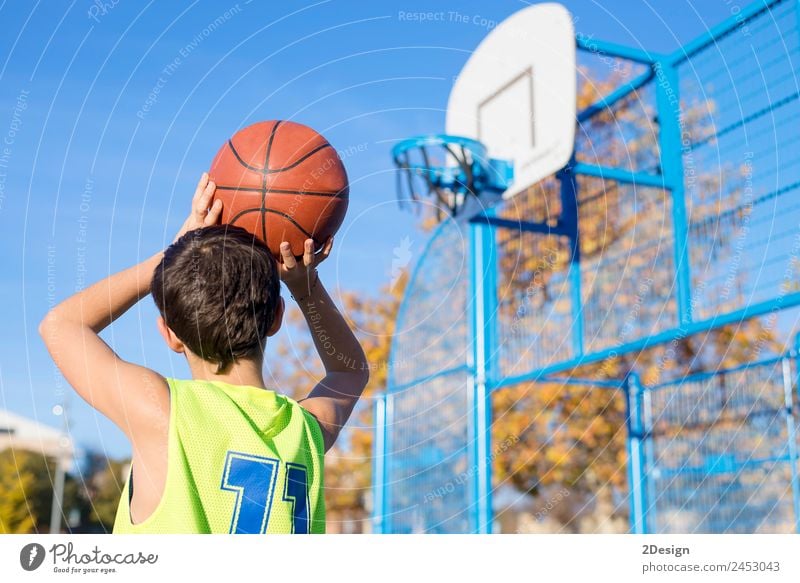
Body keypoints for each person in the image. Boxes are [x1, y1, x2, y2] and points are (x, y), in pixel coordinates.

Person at [39, 173, 369, 533]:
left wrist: (171, 253)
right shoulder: (305, 430)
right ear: (276, 317)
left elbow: (61, 325)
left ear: (169, 334)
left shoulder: (162, 414)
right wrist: (306, 288)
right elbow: (349, 371)